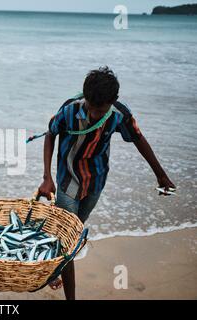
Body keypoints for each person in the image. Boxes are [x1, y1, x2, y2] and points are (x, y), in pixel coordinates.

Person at [37, 66, 176, 300]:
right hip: (67, 179)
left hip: (96, 181)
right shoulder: (69, 109)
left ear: (113, 102)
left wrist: (160, 174)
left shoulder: (120, 114)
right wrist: (47, 177)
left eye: (100, 111)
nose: (94, 114)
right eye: (91, 107)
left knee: (71, 232)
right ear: (85, 97)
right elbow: (50, 134)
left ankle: (51, 262)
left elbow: (139, 139)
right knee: (70, 240)